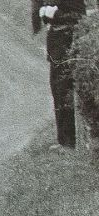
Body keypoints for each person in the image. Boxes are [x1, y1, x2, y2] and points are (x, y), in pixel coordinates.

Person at [32, 0, 87, 149]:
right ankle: (63, 140)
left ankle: (68, 142)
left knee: (64, 91)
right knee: (58, 90)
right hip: (56, 43)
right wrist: (45, 13)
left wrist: (55, 14)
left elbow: (79, 16)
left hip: (67, 43)